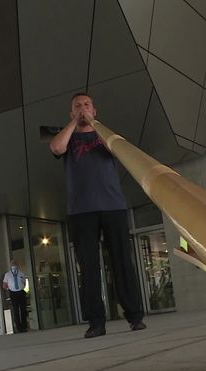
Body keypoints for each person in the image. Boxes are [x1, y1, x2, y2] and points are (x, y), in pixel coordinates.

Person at [50, 92, 146, 338]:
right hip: (81, 210)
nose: (82, 108)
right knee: (89, 267)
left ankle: (134, 316)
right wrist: (74, 123)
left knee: (122, 262)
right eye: (77, 106)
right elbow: (56, 147)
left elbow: (118, 150)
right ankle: (96, 322)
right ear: (71, 113)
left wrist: (93, 124)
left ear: (95, 110)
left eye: (87, 105)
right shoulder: (68, 137)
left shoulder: (104, 134)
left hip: (113, 206)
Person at [2, 260, 29, 333]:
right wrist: (9, 289)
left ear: (17, 265)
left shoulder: (21, 273)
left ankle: (24, 326)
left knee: (23, 309)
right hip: (13, 293)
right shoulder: (7, 275)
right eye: (12, 264)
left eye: (15, 264)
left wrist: (22, 287)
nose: (14, 265)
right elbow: (4, 285)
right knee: (16, 310)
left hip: (21, 292)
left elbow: (24, 282)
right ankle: (19, 328)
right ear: (10, 265)